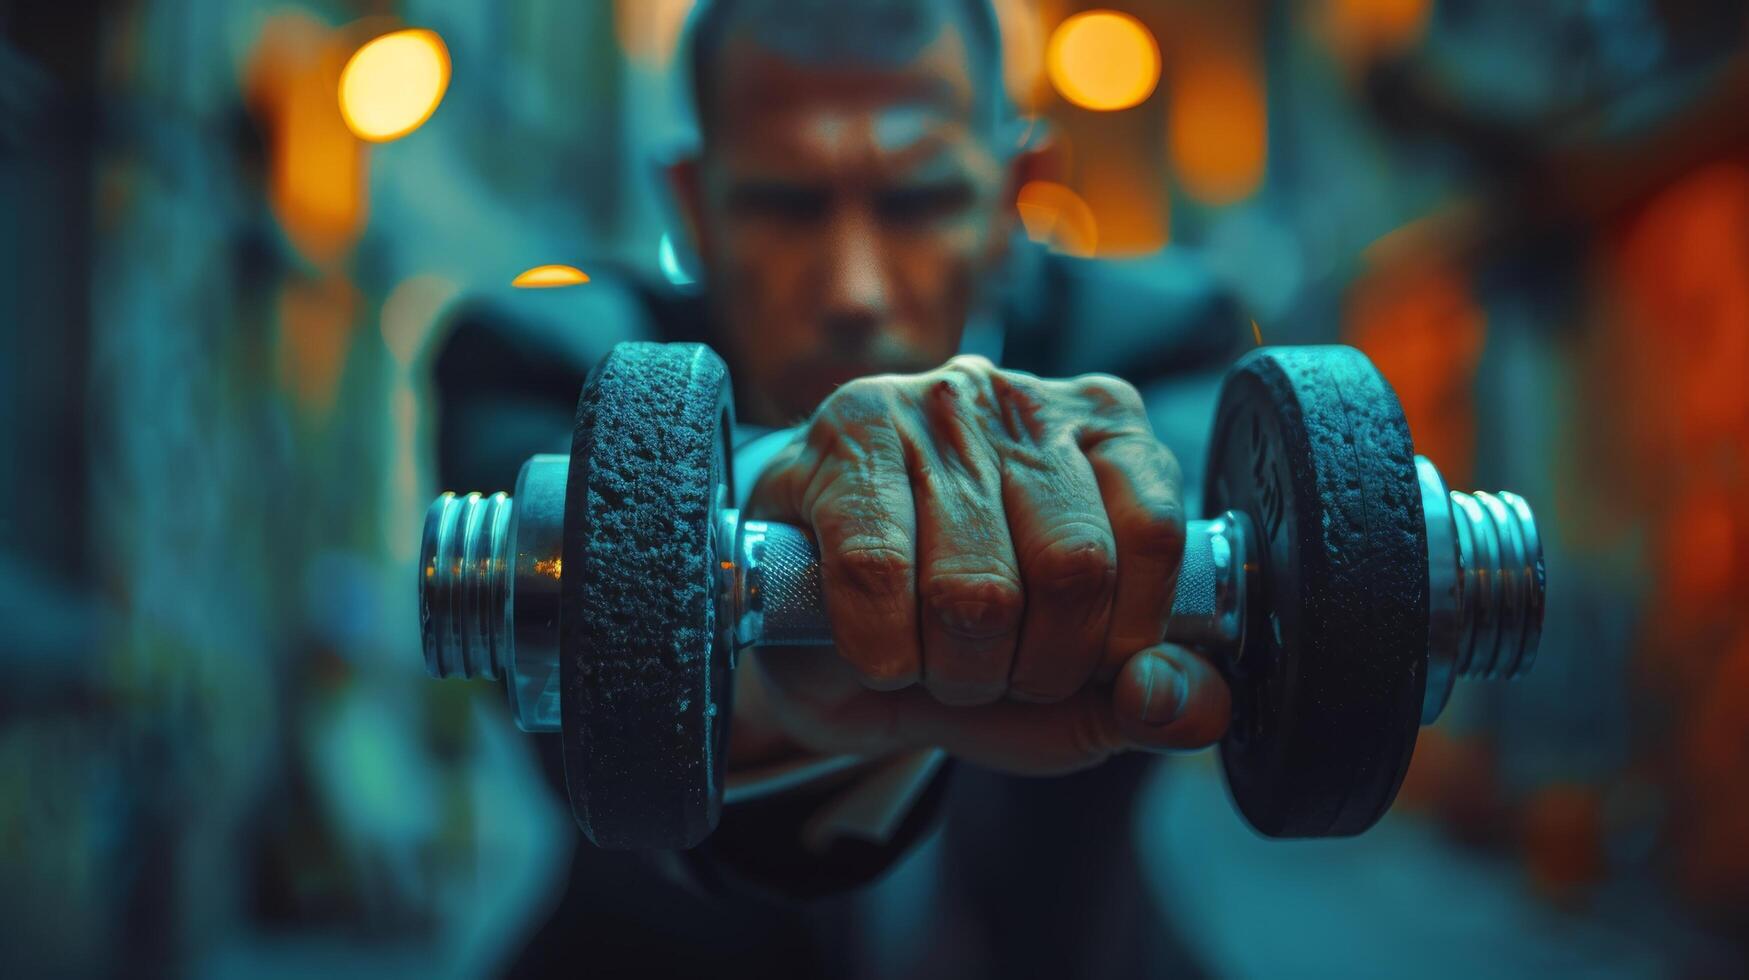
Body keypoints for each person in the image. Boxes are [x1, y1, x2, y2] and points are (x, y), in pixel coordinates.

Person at [434, 1, 1249, 975]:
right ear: (695, 207)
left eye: (918, 202)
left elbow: (1198, 512)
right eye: (784, 203)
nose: (854, 288)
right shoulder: (538, 357)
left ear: (1013, 197)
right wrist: (758, 531)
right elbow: (591, 670)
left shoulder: (1164, 340)